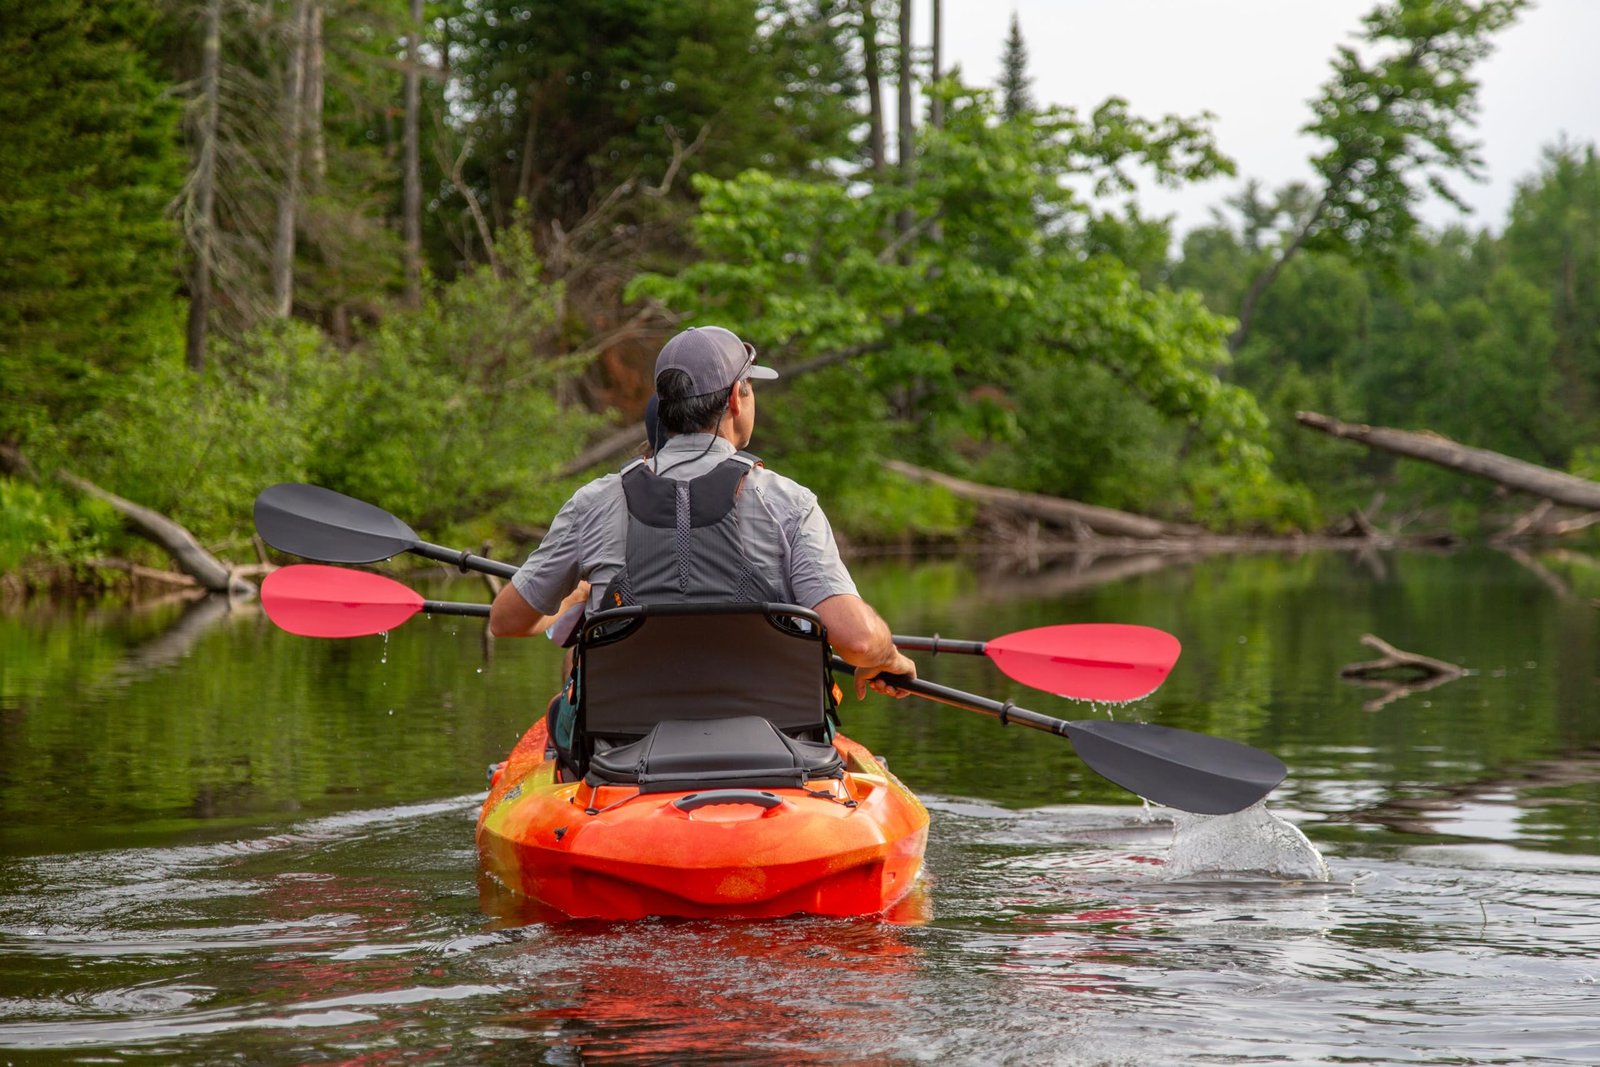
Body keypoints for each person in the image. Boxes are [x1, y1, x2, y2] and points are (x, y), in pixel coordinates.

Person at [489, 325, 916, 757]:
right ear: (735, 398)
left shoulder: (593, 503)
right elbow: (857, 642)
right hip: (781, 754)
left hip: (622, 757)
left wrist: (575, 596)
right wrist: (887, 656)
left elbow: (506, 621)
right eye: (750, 388)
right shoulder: (790, 503)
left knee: (566, 692)